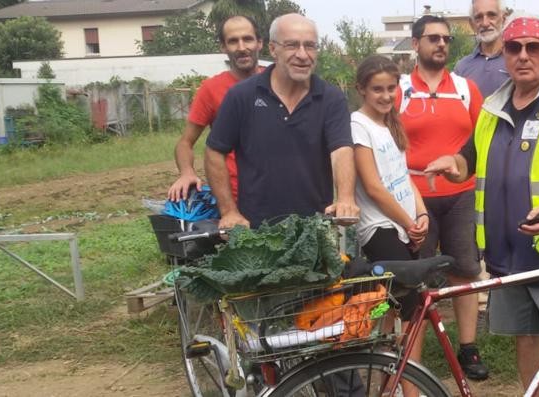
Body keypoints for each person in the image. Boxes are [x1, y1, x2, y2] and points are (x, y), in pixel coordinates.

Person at [425, 14, 539, 396]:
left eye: (533, 48)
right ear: (505, 54)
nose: (523, 55)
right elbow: (468, 163)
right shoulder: (491, 108)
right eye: (514, 47)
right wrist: (453, 165)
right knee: (526, 339)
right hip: (505, 254)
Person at [397, 15, 489, 381]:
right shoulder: (400, 89)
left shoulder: (466, 88)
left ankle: (468, 349)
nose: (441, 45)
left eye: (446, 39)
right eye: (433, 38)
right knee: (413, 277)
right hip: (412, 198)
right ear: (415, 43)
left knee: (465, 272)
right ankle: (410, 357)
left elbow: (482, 141)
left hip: (461, 195)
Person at [205, 13, 358, 230]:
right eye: (292, 45)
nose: (303, 55)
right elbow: (214, 152)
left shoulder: (331, 98)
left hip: (314, 228)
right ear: (273, 49)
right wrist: (229, 211)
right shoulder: (242, 96)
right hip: (256, 229)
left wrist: (345, 198)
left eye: (310, 46)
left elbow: (341, 149)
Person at [351, 54, 430, 397]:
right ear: (361, 90)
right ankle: (404, 387)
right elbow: (373, 187)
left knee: (400, 307)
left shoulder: (390, 123)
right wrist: (409, 222)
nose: (385, 96)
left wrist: (422, 214)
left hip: (403, 225)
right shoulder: (358, 125)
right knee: (410, 308)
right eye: (376, 90)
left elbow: (403, 177)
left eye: (391, 88)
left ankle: (395, 383)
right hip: (380, 228)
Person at [167, 15, 263, 202]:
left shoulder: (279, 83)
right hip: (233, 198)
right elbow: (185, 143)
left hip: (279, 191)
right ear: (223, 47)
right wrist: (187, 173)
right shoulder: (210, 89)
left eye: (248, 39)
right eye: (233, 41)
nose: (242, 48)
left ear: (260, 42)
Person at [455, 0, 510, 97]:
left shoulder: (517, 61)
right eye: (478, 17)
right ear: (472, 24)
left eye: (491, 15)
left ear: (504, 19)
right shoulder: (462, 68)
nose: (485, 23)